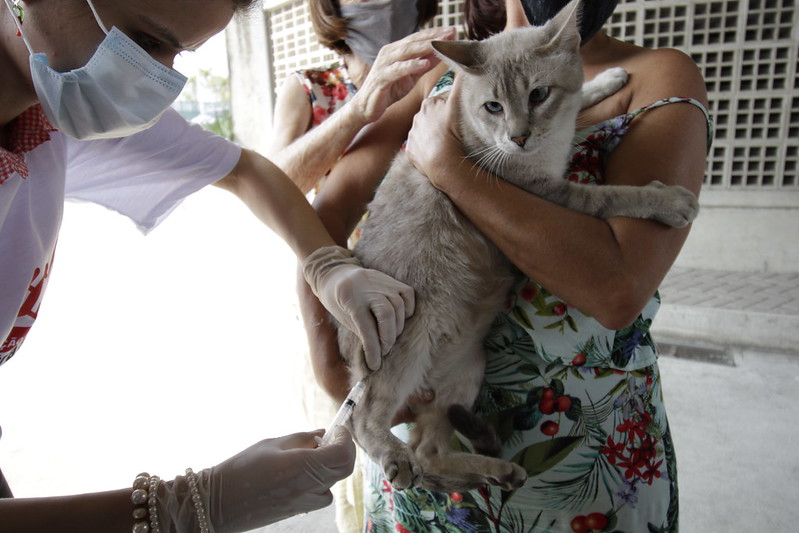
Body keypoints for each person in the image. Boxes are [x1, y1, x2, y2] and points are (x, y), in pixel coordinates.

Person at [0, 0, 450, 531]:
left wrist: (330, 266)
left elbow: (248, 171)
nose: (159, 77)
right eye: (145, 41)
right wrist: (188, 507)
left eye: (179, 53)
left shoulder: (48, 111)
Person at [299, 0, 713, 530]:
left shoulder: (660, 74)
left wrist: (448, 166)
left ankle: (449, 451)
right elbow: (316, 207)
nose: (516, 131)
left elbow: (618, 292)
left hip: (585, 449)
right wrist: (329, 366)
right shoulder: (451, 70)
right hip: (424, 372)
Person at [268, 0, 441, 193]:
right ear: (330, 6)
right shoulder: (310, 89)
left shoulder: (443, 82)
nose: (388, 4)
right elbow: (270, 191)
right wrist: (356, 112)